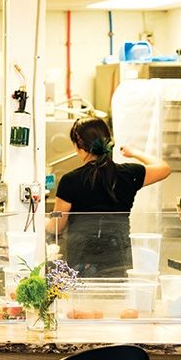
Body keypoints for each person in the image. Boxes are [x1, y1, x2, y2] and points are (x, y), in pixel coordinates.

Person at [47, 116, 170, 277]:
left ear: (79, 146)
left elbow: (57, 226)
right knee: (116, 300)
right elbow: (164, 168)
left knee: (83, 302)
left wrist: (44, 222)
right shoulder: (128, 174)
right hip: (119, 260)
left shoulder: (70, 180)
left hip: (82, 263)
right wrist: (134, 153)